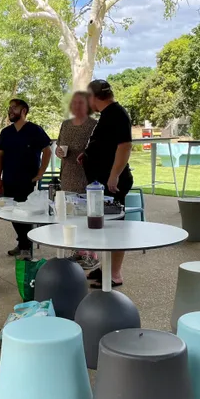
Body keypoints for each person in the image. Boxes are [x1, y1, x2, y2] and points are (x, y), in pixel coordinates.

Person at [78, 80, 133, 288]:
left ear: (93, 97)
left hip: (112, 183)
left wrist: (114, 175)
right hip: (100, 182)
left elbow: (125, 146)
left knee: (115, 227)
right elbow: (105, 145)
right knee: (105, 227)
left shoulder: (117, 114)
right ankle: (105, 266)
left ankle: (115, 274)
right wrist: (87, 154)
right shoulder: (107, 115)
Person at [0, 99, 52, 256]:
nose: (10, 110)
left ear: (24, 111)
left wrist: (40, 173)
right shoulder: (6, 133)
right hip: (8, 179)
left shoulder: (35, 130)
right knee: (12, 212)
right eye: (9, 108)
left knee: (24, 212)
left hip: (27, 180)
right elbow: (0, 156)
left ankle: (25, 246)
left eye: (14, 108)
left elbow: (47, 150)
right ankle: (23, 242)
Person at [56, 92, 98, 269]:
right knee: (72, 214)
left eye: (80, 103)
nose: (76, 106)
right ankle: (78, 251)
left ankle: (92, 253)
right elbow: (59, 145)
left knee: (88, 214)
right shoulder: (65, 125)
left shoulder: (94, 125)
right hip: (68, 174)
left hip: (87, 175)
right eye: (74, 103)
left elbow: (99, 148)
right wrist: (59, 151)